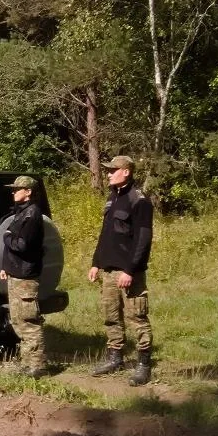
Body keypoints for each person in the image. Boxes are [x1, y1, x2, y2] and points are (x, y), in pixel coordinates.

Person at [88, 155, 154, 386]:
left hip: (128, 273)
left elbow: (143, 240)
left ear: (126, 171)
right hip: (108, 270)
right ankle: (115, 358)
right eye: (108, 170)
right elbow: (105, 235)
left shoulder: (139, 200)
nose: (108, 173)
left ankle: (143, 364)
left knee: (137, 317)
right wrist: (96, 263)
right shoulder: (112, 198)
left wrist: (130, 270)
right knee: (111, 316)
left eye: (112, 170)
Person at [0, 175, 46, 378]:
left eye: (16, 189)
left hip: (26, 276)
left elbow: (22, 245)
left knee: (29, 321)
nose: (13, 192)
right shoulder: (21, 213)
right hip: (15, 273)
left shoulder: (32, 215)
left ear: (28, 192)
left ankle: (37, 365)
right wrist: (5, 267)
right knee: (18, 320)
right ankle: (27, 363)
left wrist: (7, 236)